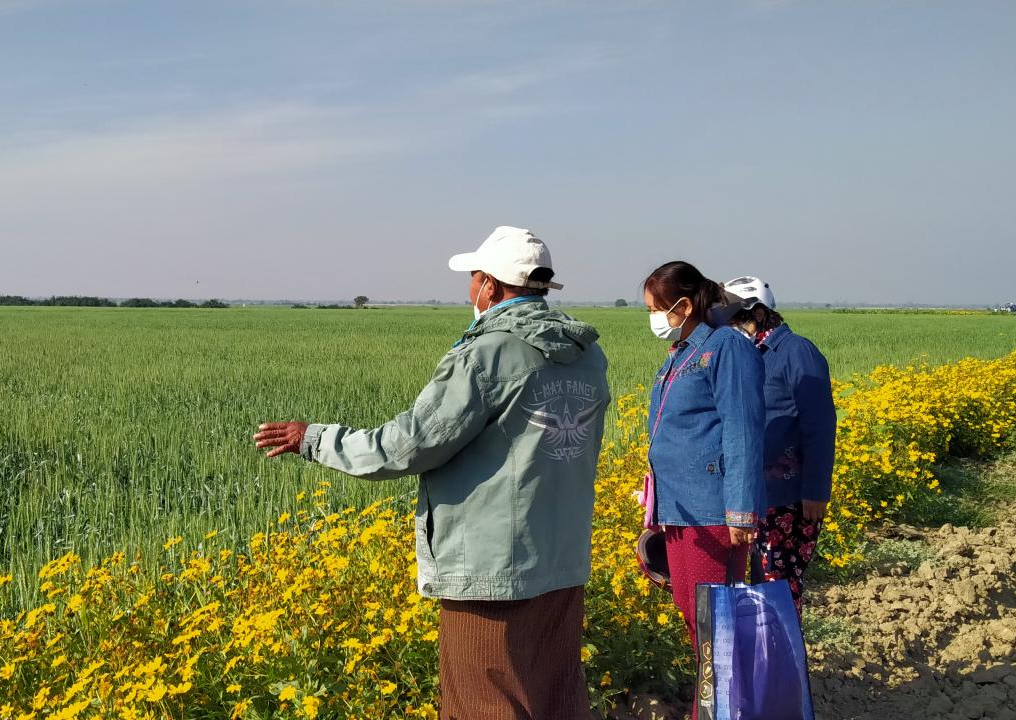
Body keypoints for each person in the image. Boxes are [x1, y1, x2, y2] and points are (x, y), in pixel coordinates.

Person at [254, 226, 609, 720]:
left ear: (489, 285)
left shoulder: (487, 354)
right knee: (556, 697)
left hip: (492, 568)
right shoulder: (587, 354)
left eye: (473, 278)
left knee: (483, 704)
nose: (470, 288)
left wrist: (314, 439)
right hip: (562, 561)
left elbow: (407, 446)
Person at [640, 261, 765, 649]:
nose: (653, 318)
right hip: (679, 507)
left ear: (684, 306)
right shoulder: (682, 352)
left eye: (656, 309)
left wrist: (741, 511)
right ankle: (710, 688)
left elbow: (743, 430)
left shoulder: (726, 347)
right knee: (692, 610)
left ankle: (726, 689)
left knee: (713, 618)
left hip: (711, 509)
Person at [723, 276, 836, 614]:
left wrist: (815, 490)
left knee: (778, 589)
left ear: (758, 314)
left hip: (789, 497)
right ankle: (765, 646)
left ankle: (782, 647)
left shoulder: (796, 352)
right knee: (758, 585)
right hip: (756, 494)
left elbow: (820, 424)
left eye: (734, 319)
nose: (728, 327)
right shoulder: (746, 354)